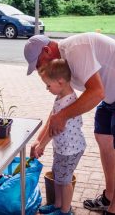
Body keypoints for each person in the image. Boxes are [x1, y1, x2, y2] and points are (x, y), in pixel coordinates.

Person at [24, 33, 115, 215]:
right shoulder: (62, 65)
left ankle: (114, 210)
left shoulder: (75, 50)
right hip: (111, 94)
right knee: (103, 138)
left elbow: (96, 92)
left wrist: (63, 117)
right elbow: (60, 109)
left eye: (38, 64)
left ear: (46, 50)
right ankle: (109, 197)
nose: (39, 70)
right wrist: (40, 140)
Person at [31, 58, 86, 215]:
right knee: (57, 176)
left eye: (48, 85)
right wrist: (39, 142)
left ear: (60, 82)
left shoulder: (66, 103)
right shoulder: (61, 97)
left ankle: (65, 210)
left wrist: (41, 145)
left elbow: (54, 129)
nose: (47, 89)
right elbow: (51, 125)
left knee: (65, 180)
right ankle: (57, 204)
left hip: (70, 150)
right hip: (62, 147)